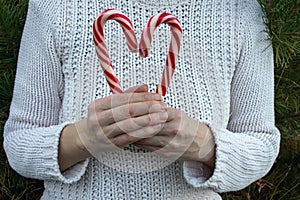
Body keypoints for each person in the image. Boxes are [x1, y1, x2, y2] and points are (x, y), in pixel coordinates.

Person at [3, 0, 280, 199]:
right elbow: (19, 141)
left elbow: (262, 144)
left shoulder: (241, 11)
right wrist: (83, 138)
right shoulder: (55, 6)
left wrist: (203, 145)